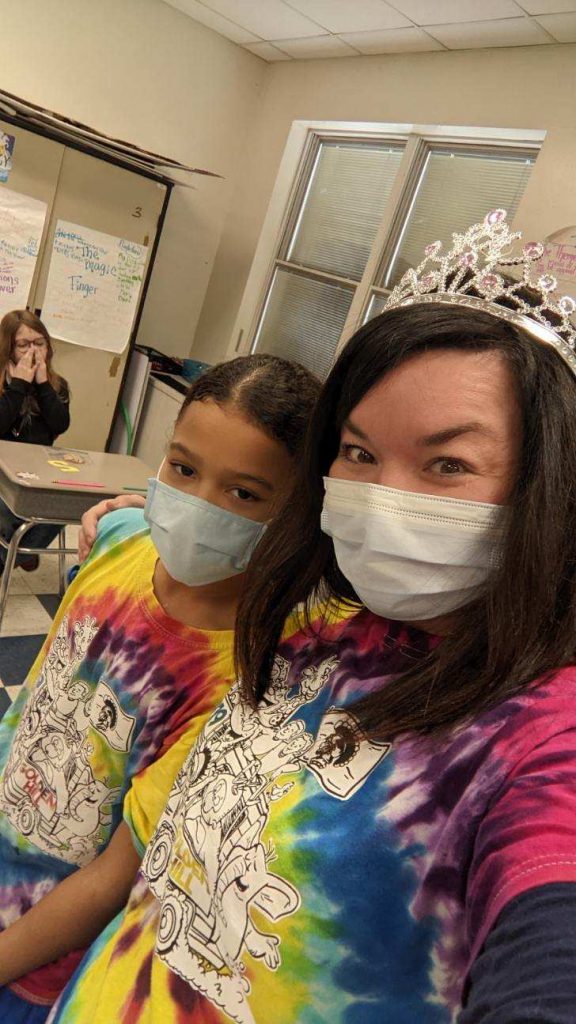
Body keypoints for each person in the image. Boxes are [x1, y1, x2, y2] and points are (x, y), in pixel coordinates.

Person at [22, 209, 576, 1024]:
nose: (384, 499)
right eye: (358, 453)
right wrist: (140, 515)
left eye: (448, 463)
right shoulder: (316, 636)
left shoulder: (540, 739)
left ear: (551, 487)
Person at [0, 353, 321, 1022]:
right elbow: (37, 703)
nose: (198, 506)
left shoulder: (245, 680)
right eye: (182, 468)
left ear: (294, 511)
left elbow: (114, 877)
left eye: (244, 494)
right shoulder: (120, 536)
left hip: (39, 951)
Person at [0, 310, 70, 572]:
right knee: (6, 511)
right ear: (8, 349)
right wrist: (18, 384)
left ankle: (15, 553)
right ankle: (18, 551)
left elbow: (59, 424)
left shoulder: (56, 385)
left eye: (39, 343)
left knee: (63, 508)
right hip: (1, 470)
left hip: (36, 470)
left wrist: (42, 385)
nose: (33, 352)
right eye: (23, 345)